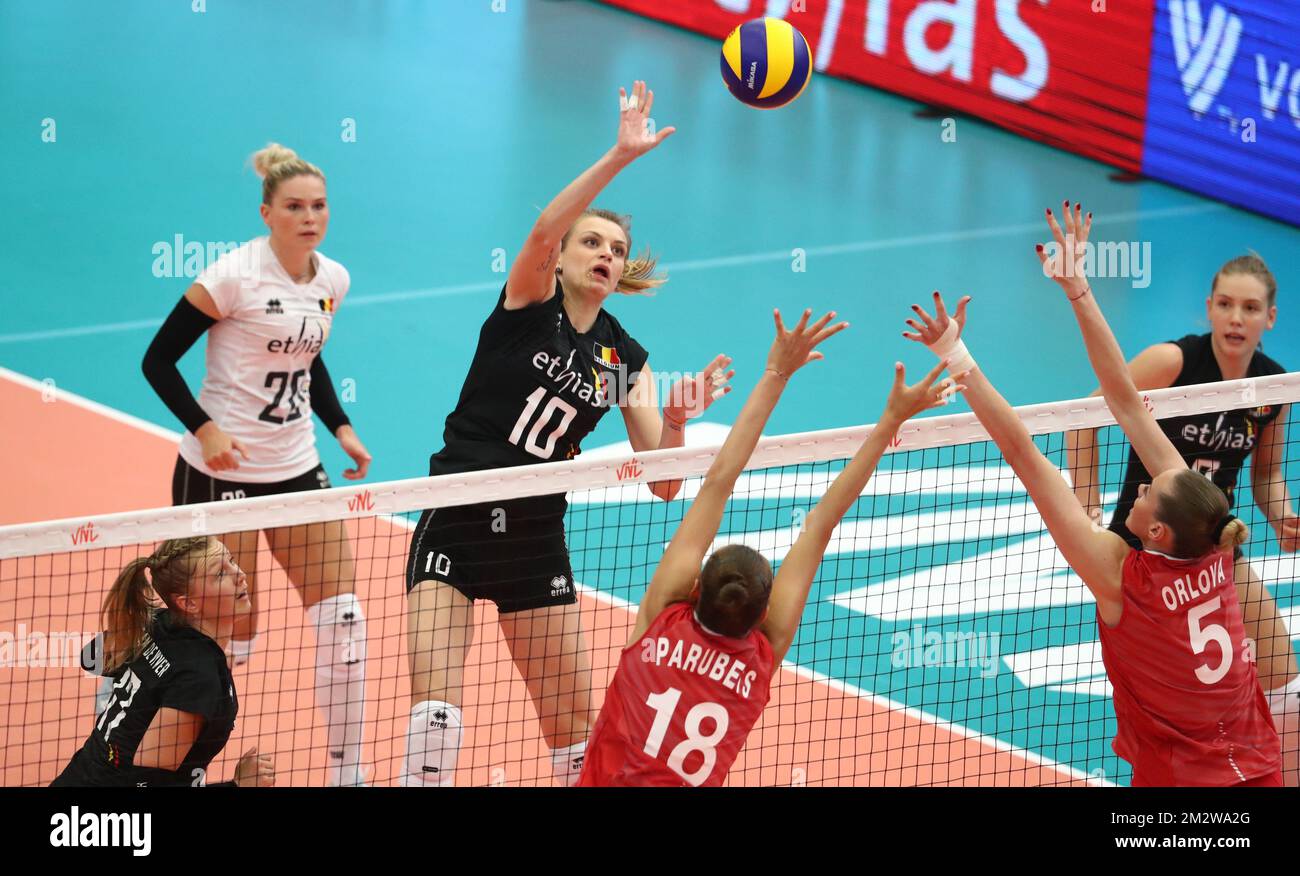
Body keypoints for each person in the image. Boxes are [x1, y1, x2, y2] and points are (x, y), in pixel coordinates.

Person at [402, 81, 736, 786]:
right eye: (591, 241)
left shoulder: (618, 359)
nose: (605, 254)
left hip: (532, 536)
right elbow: (542, 230)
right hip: (458, 517)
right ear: (562, 257)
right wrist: (620, 153)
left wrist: (675, 421)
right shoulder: (529, 304)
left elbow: (665, 481)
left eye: (616, 248)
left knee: (577, 741)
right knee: (435, 715)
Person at [900, 203, 1281, 786]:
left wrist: (957, 357)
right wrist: (1076, 288)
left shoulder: (1118, 573)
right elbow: (1126, 402)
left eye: (1148, 491)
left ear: (1156, 531)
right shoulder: (1214, 544)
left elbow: (1025, 454)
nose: (1145, 482)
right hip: (1258, 768)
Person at [580, 309, 962, 786]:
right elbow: (819, 527)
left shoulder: (662, 621)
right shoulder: (760, 657)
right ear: (763, 614)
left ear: (694, 588)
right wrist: (891, 420)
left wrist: (776, 373)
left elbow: (719, 481)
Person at [138, 144, 371, 786]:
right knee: (222, 644)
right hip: (220, 474)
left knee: (346, 624)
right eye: (294, 207)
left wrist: (342, 428)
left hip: (297, 467)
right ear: (267, 213)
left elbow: (306, 358)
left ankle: (348, 773)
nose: (309, 216)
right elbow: (157, 360)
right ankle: (172, 753)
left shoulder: (333, 280)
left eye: (318, 206)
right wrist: (205, 429)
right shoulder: (232, 277)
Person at [1065, 246, 1299, 784]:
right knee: (1170, 695)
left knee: (1286, 681)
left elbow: (1265, 475)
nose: (1236, 318)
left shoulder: (1273, 389)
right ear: (1209, 309)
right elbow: (1084, 417)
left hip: (1216, 551)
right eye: (1225, 304)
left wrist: (1285, 517)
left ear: (1271, 317)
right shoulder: (1173, 363)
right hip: (1144, 550)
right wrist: (1088, 508)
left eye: (1250, 307)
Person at [52, 537, 275, 787]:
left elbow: (89, 658)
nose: (240, 574)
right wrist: (238, 785)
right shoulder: (197, 678)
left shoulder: (159, 621)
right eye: (221, 573)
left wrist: (148, 668)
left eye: (232, 561)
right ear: (188, 603)